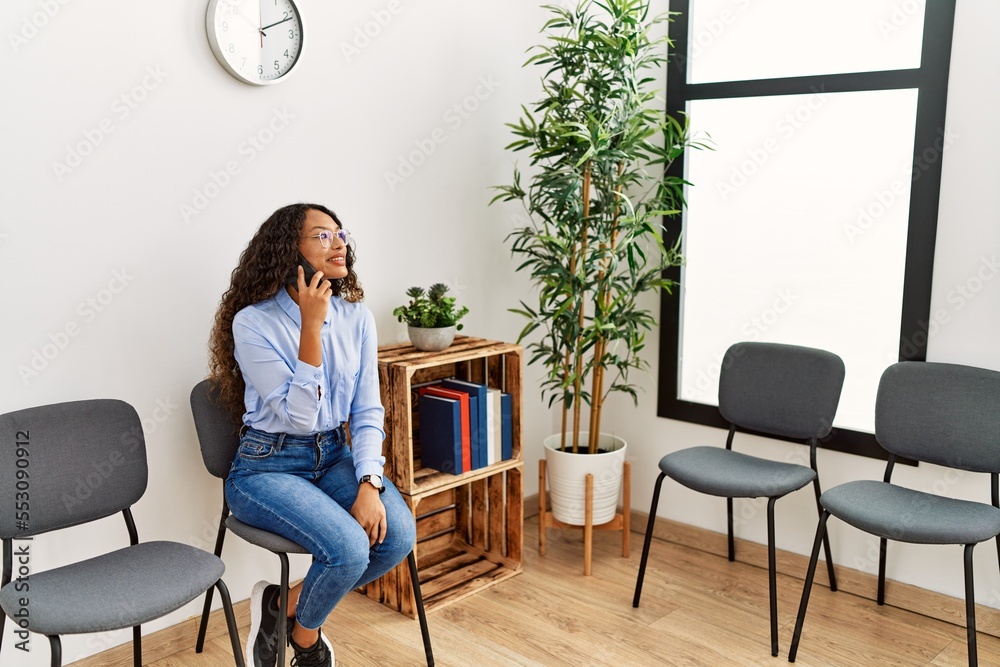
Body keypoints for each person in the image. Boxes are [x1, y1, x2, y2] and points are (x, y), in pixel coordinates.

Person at [208, 203, 416, 667]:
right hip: (266, 467)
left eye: (340, 233)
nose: (339, 242)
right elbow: (300, 418)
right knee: (346, 549)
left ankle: (283, 605)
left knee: (396, 536)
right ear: (289, 250)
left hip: (334, 456)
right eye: (322, 235)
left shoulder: (357, 318)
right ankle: (306, 643)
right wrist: (310, 326)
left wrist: (369, 482)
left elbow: (366, 409)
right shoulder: (253, 322)